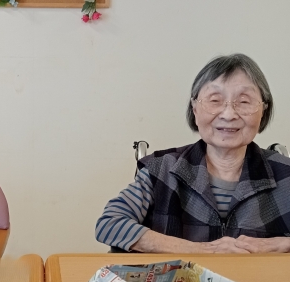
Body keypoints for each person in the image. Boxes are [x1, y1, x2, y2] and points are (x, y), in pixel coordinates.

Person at [96, 54, 290, 254]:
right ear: (195, 109)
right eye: (215, 100)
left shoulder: (286, 174)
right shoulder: (161, 169)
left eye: (244, 101)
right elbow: (110, 224)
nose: (229, 114)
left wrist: (281, 244)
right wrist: (200, 250)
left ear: (263, 111)